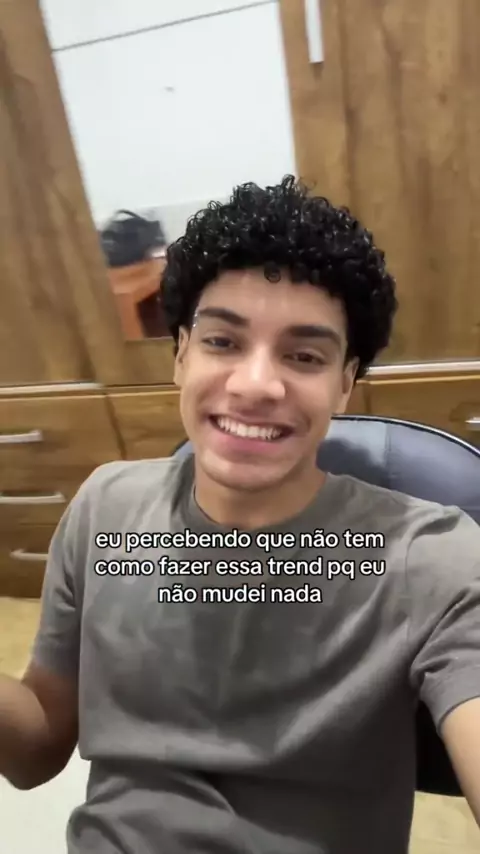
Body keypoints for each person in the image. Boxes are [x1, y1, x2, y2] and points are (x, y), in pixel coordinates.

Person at [1, 176, 479, 853]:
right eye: (223, 342)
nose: (255, 385)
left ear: (345, 382)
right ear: (180, 355)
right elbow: (37, 749)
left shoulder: (430, 558)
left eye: (304, 355)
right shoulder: (105, 507)